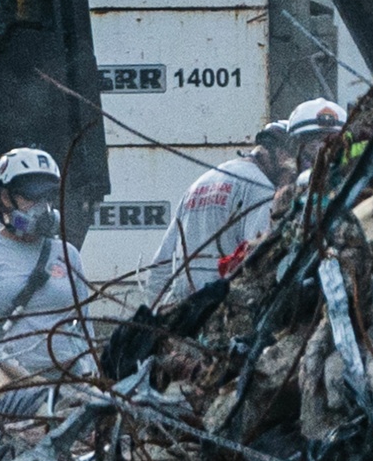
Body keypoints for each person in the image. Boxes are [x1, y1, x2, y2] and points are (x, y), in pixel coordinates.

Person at [0, 148, 95, 378]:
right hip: (0, 381)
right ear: (4, 197)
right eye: (31, 197)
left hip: (65, 379)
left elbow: (85, 329)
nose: (42, 207)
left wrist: (92, 374)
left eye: (47, 198)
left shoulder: (67, 254)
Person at [146, 121, 294, 305]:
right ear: (281, 156)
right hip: (221, 311)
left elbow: (160, 268)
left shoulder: (204, 180)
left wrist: (161, 315)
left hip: (186, 312)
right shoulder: (260, 188)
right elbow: (259, 260)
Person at [287, 97, 347, 173]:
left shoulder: (355, 178)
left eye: (332, 141)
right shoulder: (285, 177)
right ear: (295, 146)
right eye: (313, 138)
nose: (322, 146)